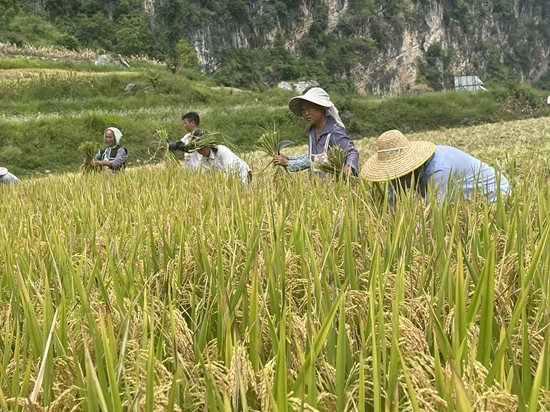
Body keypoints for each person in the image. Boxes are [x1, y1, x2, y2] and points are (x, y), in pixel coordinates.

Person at [361, 129, 510, 204]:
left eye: (399, 169)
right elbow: (391, 203)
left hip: (492, 196)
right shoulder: (395, 173)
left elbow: (435, 213)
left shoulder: (438, 168)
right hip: (461, 203)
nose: (397, 175)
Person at [273, 87, 359, 178]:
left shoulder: (334, 131)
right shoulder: (312, 131)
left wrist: (349, 167)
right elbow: (312, 157)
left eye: (309, 109)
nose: (306, 113)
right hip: (317, 188)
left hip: (334, 186)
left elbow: (351, 152)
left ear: (322, 108)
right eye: (303, 110)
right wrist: (289, 159)